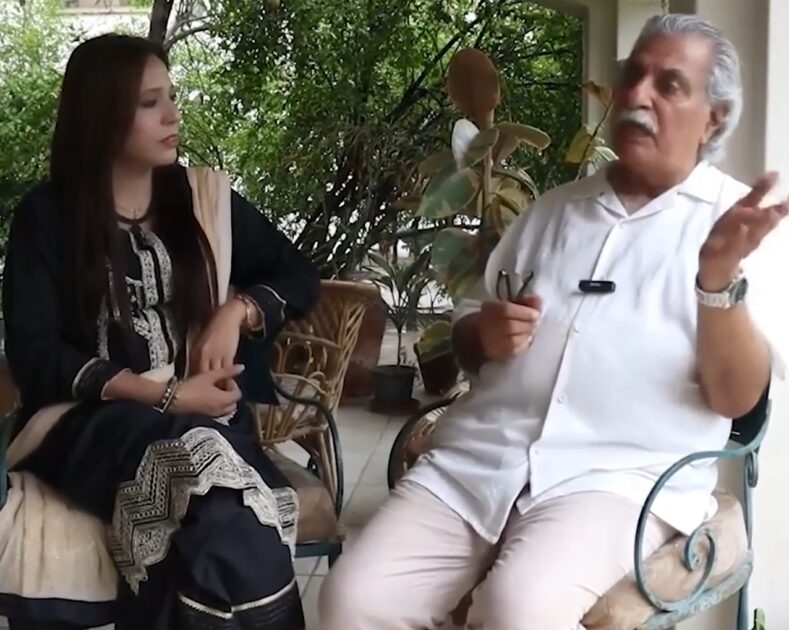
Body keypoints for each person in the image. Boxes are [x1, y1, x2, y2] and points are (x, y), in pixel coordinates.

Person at [319, 13, 789, 630]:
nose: (638, 95)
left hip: (618, 479)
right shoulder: (552, 212)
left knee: (518, 609)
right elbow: (467, 330)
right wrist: (484, 334)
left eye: (669, 85)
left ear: (714, 118)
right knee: (353, 599)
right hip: (481, 460)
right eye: (634, 75)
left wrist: (717, 280)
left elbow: (737, 400)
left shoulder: (737, 226)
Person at [1, 34, 319, 630]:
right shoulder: (47, 216)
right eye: (150, 103)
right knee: (223, 510)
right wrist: (165, 395)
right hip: (87, 421)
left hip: (206, 419)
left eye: (171, 96)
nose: (173, 115)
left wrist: (237, 312)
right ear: (102, 114)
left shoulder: (201, 201)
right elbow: (36, 353)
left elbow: (298, 274)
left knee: (226, 525)